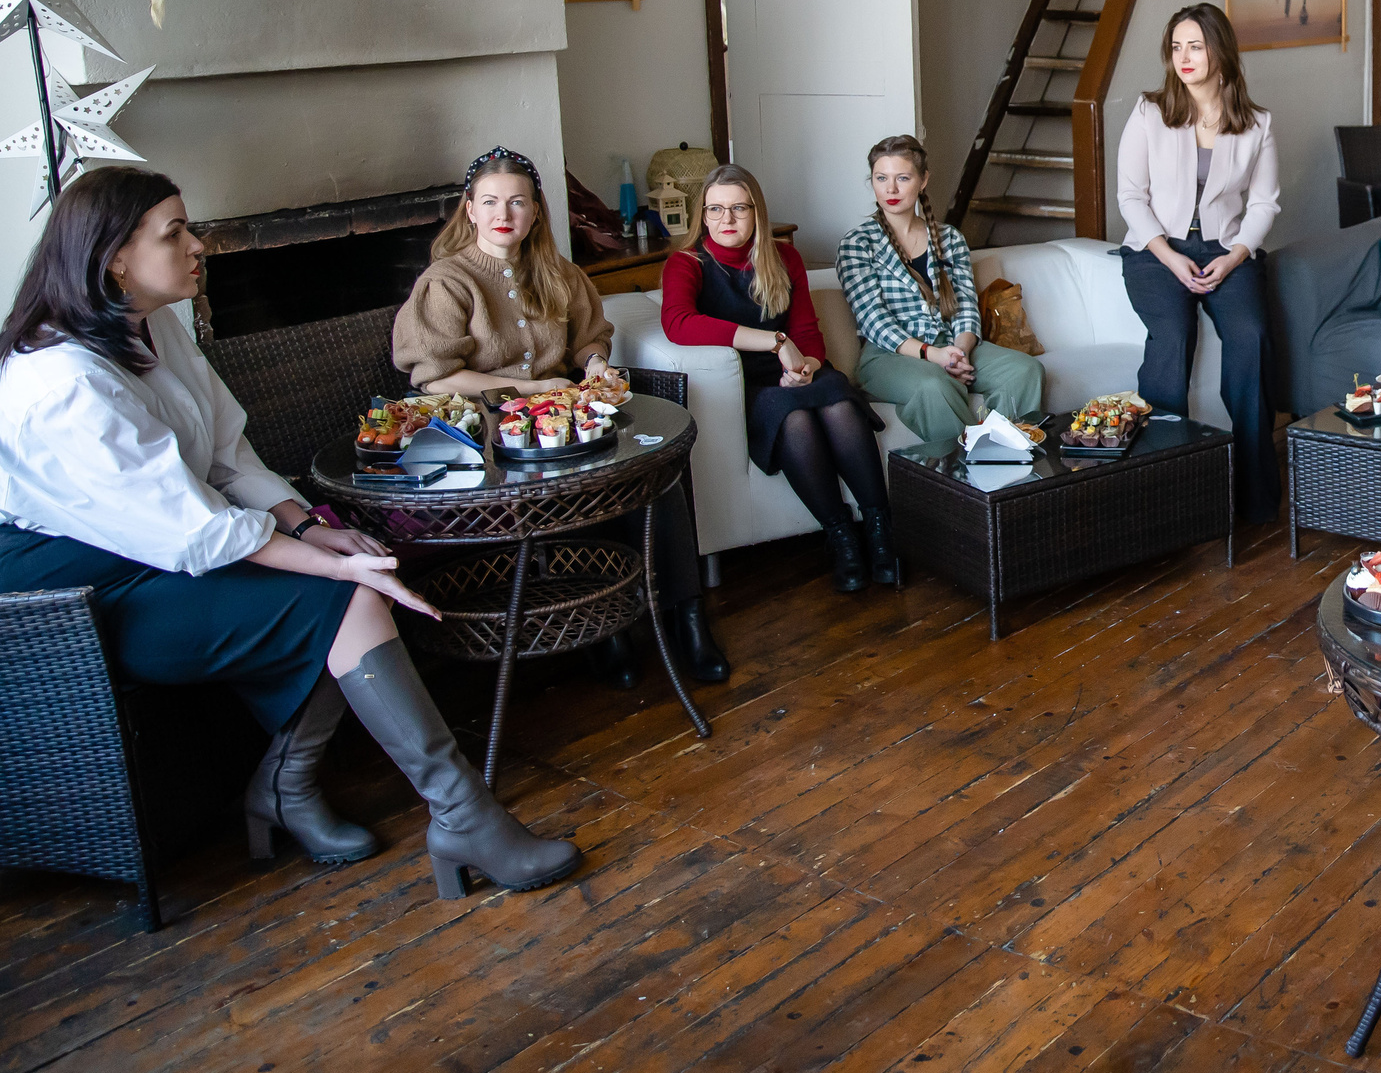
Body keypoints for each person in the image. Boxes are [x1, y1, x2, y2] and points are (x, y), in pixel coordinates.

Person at [0, 167, 579, 898]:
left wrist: (312, 526)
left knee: (354, 583)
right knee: (349, 595)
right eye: (174, 231)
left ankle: (302, 790)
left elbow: (225, 454)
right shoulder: (62, 382)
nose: (198, 244)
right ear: (115, 256)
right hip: (72, 602)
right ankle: (453, 813)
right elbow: (191, 530)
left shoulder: (152, 327)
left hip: (158, 552)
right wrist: (328, 565)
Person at [393, 148, 727, 685]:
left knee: (655, 477)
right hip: (494, 438)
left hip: (565, 420)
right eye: (492, 202)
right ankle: (608, 630)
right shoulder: (448, 281)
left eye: (518, 202)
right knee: (590, 486)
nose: (505, 213)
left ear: (536, 211)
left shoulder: (557, 272)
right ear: (470, 210)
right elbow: (435, 377)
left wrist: (596, 366)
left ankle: (686, 621)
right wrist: (527, 388)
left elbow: (590, 339)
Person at [669, 163, 898, 595]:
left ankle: (880, 528)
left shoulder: (783, 257)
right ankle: (841, 538)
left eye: (738, 208)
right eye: (714, 210)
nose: (726, 220)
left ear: (757, 212)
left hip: (798, 368)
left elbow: (808, 331)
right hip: (750, 385)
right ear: (702, 214)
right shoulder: (687, 264)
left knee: (839, 404)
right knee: (794, 420)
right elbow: (679, 323)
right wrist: (775, 342)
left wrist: (807, 364)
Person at [1115, 3, 1282, 523]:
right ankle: (1164, 493)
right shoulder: (1148, 111)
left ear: (1219, 50)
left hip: (1227, 251)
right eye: (1176, 47)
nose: (1184, 57)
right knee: (1171, 336)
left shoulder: (1257, 124)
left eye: (1195, 45)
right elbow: (1130, 196)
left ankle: (1254, 497)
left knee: (1252, 337)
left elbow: (1263, 205)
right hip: (1155, 251)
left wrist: (1234, 258)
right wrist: (1167, 256)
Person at [837, 134, 1044, 456]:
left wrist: (959, 350)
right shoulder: (858, 243)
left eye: (902, 178)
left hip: (950, 344)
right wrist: (934, 356)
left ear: (922, 181)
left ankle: (1006, 454)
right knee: (934, 384)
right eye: (881, 178)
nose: (890, 190)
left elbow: (965, 306)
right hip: (889, 356)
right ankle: (972, 469)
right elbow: (874, 320)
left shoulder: (949, 238)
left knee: (1025, 370)